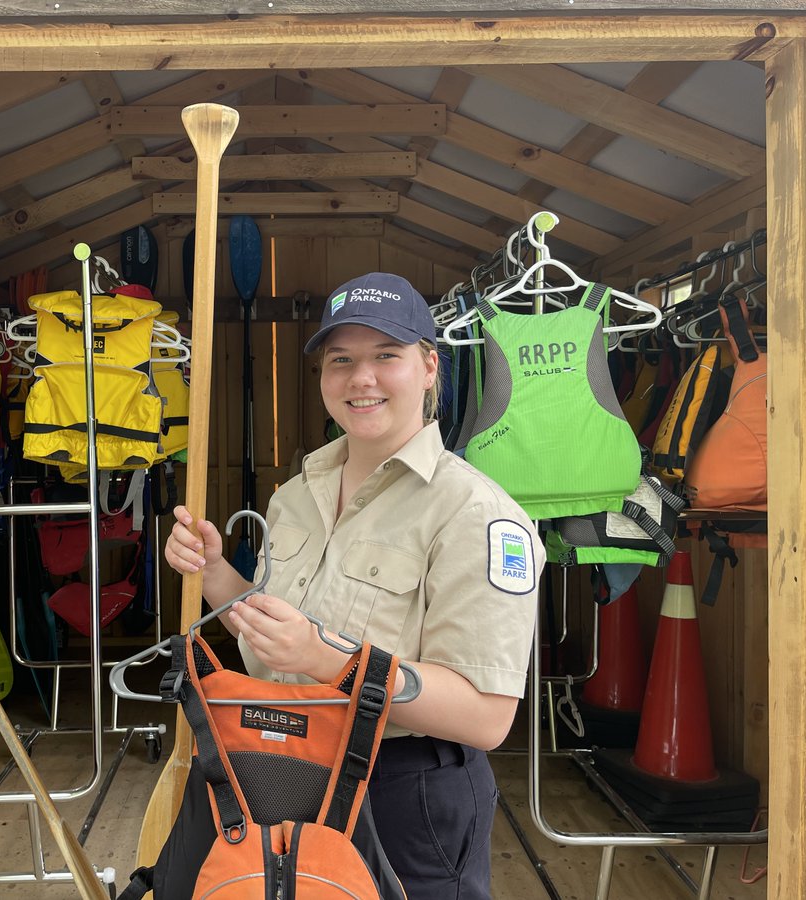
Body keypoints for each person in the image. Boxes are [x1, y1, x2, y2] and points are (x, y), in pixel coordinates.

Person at [164, 271, 543, 900]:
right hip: (283, 773)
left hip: (404, 794)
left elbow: (486, 717)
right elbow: (273, 635)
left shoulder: (476, 514)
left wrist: (325, 658)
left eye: (385, 356)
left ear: (427, 367)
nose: (360, 378)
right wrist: (214, 573)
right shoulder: (297, 495)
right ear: (322, 378)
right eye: (341, 360)